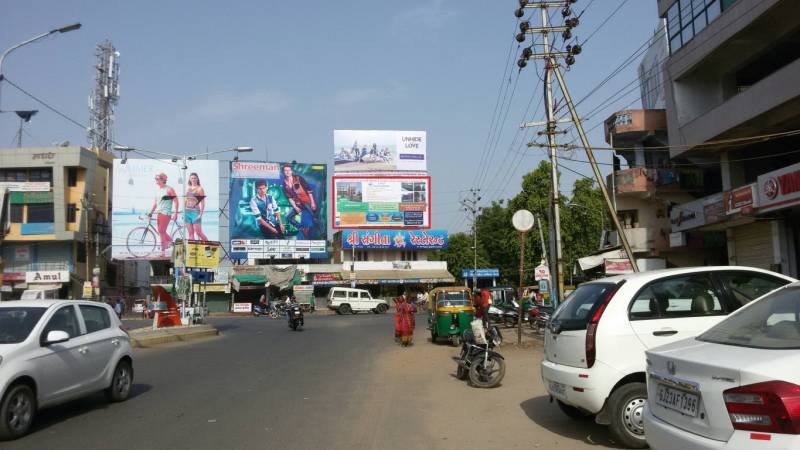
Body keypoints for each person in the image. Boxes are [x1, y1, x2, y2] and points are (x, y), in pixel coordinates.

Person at [281, 165, 318, 239]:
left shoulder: (298, 178)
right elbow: (290, 198)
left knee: (314, 220)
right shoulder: (284, 184)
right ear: (283, 172)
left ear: (291, 171)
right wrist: (295, 207)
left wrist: (313, 202)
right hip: (298, 204)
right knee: (287, 217)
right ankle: (301, 228)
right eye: (285, 170)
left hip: (307, 202)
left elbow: (309, 191)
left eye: (289, 170)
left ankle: (314, 234)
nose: (287, 172)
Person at [148, 172, 179, 256]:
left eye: (157, 179)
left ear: (162, 180)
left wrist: (176, 213)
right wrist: (150, 212)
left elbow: (176, 201)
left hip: (166, 213)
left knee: (161, 231)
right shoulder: (158, 190)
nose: (156, 180)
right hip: (159, 213)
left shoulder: (169, 189)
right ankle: (173, 244)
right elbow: (155, 203)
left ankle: (163, 252)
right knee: (162, 232)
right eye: (156, 179)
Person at [185, 172, 208, 241]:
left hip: (195, 212)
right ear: (189, 179)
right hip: (187, 212)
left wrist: (201, 214)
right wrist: (183, 211)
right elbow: (185, 200)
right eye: (192, 178)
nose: (193, 179)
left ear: (197, 179)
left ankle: (208, 247)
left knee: (199, 232)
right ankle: (192, 250)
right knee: (190, 233)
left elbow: (203, 203)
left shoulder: (200, 189)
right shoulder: (187, 188)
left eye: (195, 178)